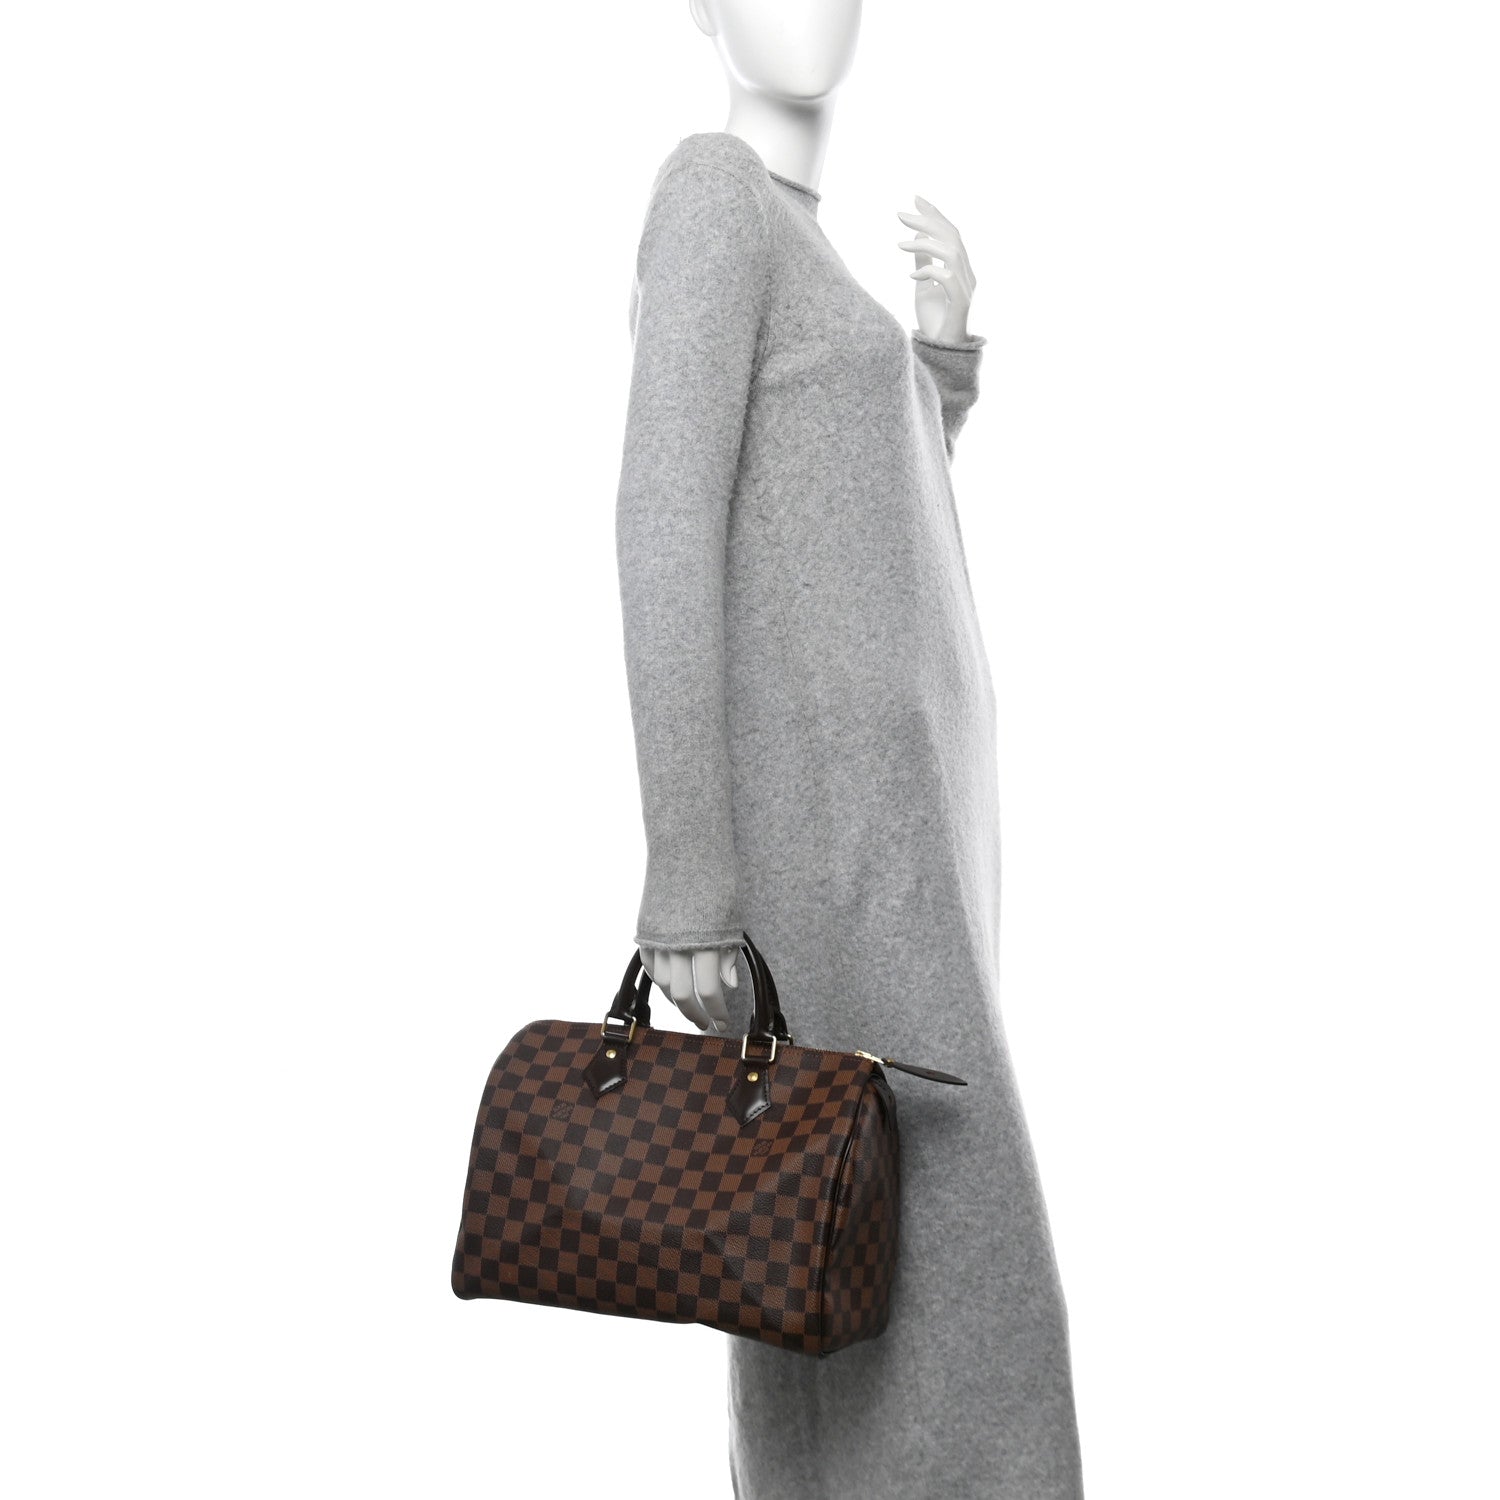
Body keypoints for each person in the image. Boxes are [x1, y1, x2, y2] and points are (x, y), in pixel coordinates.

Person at [614, 5, 1086, 1496]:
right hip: (829, 854)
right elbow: (662, 536)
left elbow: (852, 509)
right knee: (884, 1253)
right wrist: (691, 883)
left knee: (863, 1261)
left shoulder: (795, 238)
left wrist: (935, 360)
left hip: (905, 842)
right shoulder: (712, 196)